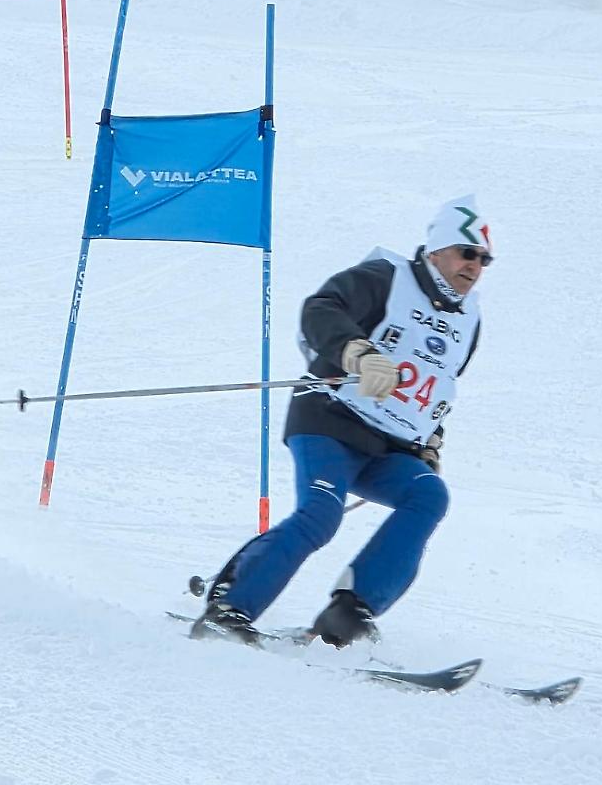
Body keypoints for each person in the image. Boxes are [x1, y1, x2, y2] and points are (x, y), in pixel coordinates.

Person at [193, 194, 491, 648]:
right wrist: (357, 352)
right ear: (437, 250)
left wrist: (430, 440)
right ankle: (229, 610)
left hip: (388, 445)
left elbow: (439, 385)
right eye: (467, 253)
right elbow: (321, 309)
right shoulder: (386, 278)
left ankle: (349, 614)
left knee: (428, 495)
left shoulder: (468, 320)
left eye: (484, 259)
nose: (475, 266)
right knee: (321, 514)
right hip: (329, 419)